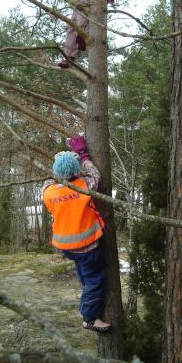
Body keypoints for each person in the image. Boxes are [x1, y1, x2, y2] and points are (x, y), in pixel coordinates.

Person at [42, 135, 111, 333]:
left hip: (65, 246)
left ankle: (87, 296)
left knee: (85, 275)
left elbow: (50, 179)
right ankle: (89, 318)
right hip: (87, 247)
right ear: (76, 171)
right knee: (95, 280)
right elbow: (94, 174)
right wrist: (83, 155)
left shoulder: (49, 192)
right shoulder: (84, 187)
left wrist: (59, 160)